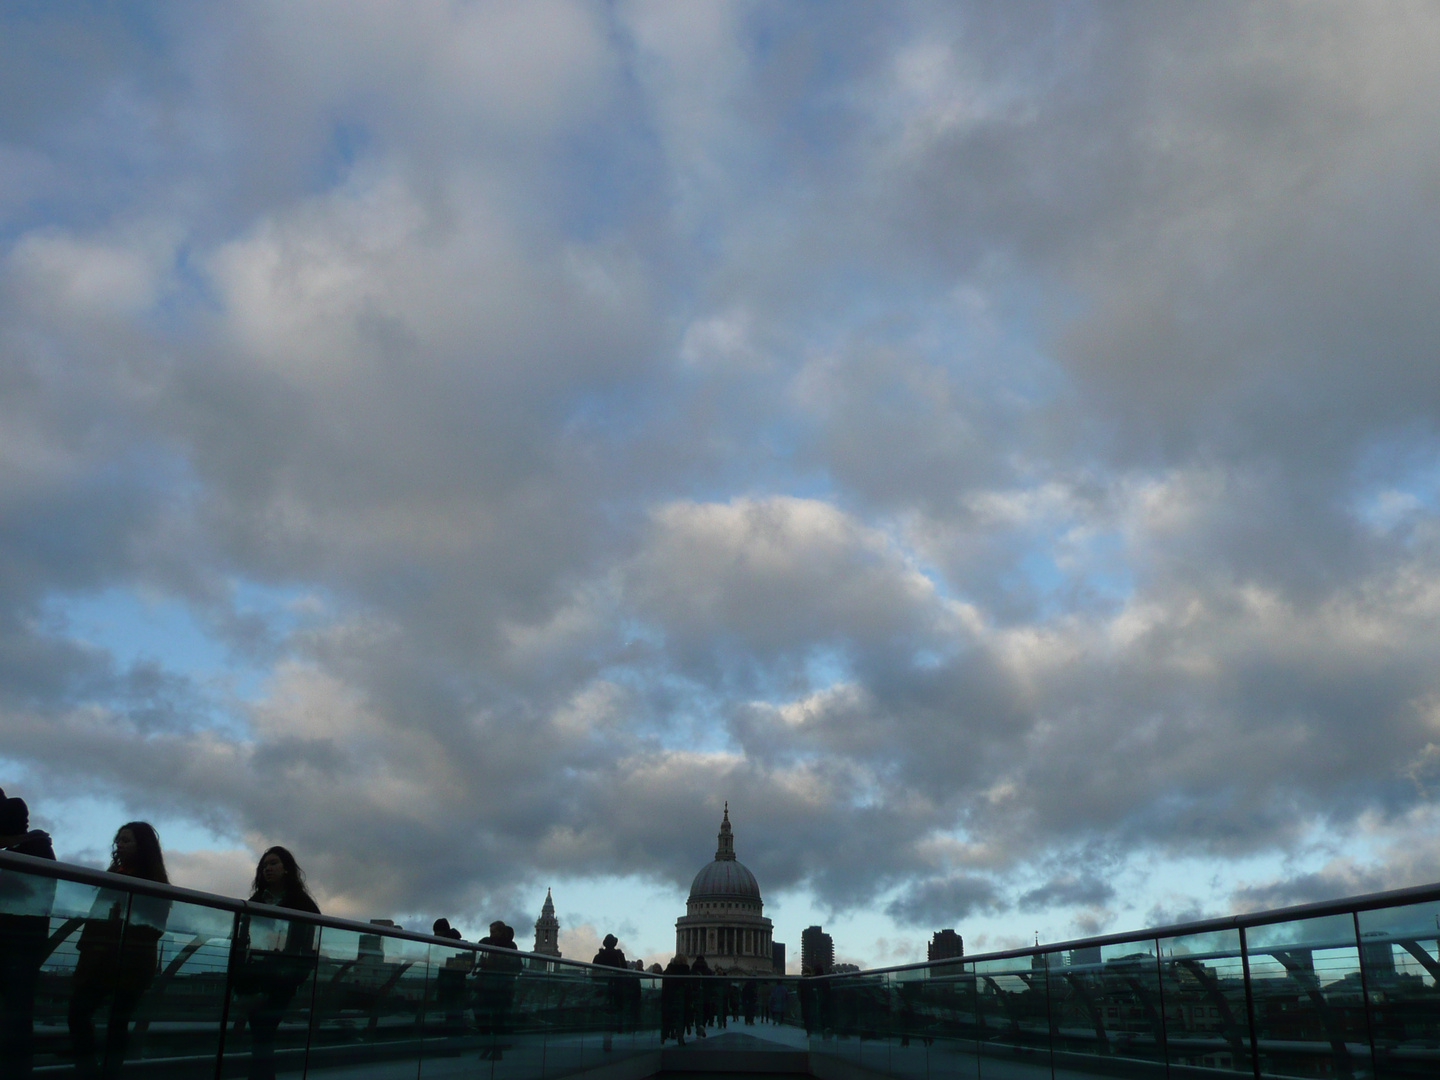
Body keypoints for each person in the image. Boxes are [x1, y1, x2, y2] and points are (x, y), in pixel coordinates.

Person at [68, 822, 171, 1079]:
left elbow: (152, 925)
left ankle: (94, 1072)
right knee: (105, 1019)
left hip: (124, 961)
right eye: (119, 840)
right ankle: (96, 1072)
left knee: (99, 1017)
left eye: (127, 840)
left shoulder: (146, 881)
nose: (120, 845)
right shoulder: (121, 874)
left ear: (142, 845)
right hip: (110, 958)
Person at [236, 847, 321, 1080]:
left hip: (280, 982)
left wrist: (288, 981)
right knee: (261, 1037)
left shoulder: (302, 905)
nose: (268, 869)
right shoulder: (255, 902)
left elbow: (306, 949)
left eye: (273, 863)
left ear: (286, 869)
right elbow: (241, 941)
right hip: (254, 980)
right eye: (264, 866)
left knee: (262, 1036)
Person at [0, 797, 56, 1078]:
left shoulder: (23, 856)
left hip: (15, 953)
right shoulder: (37, 853)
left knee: (14, 1022)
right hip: (22, 953)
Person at [592, 934, 629, 1048]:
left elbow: (594, 974)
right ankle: (615, 1030)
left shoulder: (598, 956)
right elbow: (625, 970)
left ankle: (606, 1035)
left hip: (602, 989)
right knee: (616, 1010)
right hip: (617, 988)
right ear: (614, 944)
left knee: (605, 1011)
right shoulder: (619, 956)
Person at [660, 953, 690, 1045]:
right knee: (680, 1017)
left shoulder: (668, 970)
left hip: (669, 995)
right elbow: (689, 984)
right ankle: (680, 1037)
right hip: (681, 996)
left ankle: (663, 1038)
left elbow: (664, 982)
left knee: (667, 1017)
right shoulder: (686, 971)